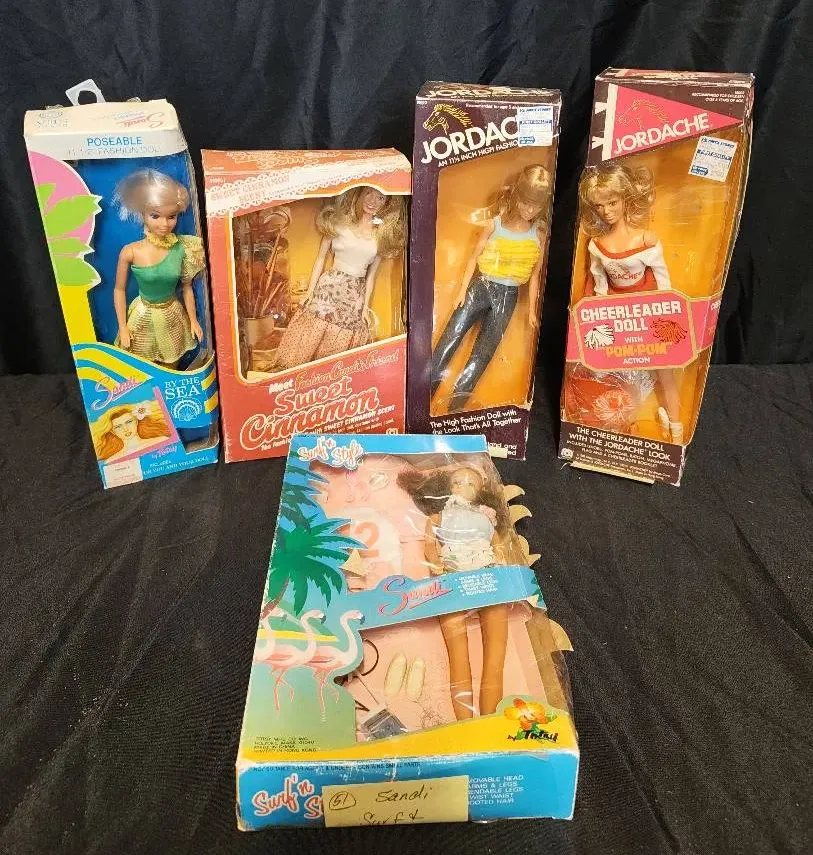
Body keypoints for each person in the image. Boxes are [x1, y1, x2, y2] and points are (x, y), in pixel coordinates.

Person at [568, 162, 684, 442]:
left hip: (648, 310)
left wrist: (665, 315)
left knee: (665, 371)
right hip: (616, 315)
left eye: (612, 203)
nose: (606, 211)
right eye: (599, 206)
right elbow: (599, 285)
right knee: (605, 369)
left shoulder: (645, 240)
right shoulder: (597, 245)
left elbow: (664, 282)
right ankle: (610, 424)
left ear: (625, 199)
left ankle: (677, 429)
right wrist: (596, 320)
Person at [430, 164, 550, 412]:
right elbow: (474, 257)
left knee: (483, 354)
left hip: (508, 295)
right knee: (450, 338)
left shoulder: (538, 234)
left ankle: (455, 408)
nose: (530, 210)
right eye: (526, 202)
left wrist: (532, 311)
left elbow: (536, 275)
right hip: (480, 288)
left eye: (536, 206)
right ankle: (424, 395)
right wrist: (462, 290)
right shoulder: (495, 224)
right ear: (517, 196)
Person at [397, 464, 510, 720]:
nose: (463, 487)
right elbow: (429, 545)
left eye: (471, 483)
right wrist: (437, 565)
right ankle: (465, 721)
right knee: (457, 654)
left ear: (481, 491)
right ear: (447, 488)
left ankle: (492, 718)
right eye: (457, 482)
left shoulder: (486, 517)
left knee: (495, 656)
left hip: (488, 576)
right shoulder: (438, 517)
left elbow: (498, 546)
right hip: (452, 577)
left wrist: (503, 568)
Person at [273, 187, 405, 370]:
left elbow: (371, 276)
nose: (372, 201)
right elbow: (321, 258)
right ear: (360, 193)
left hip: (354, 294)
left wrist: (365, 307)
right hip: (329, 288)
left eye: (381, 198)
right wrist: (310, 292)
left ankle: (328, 376)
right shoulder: (338, 224)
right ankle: (298, 375)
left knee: (341, 340)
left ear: (386, 204)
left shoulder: (380, 238)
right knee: (313, 331)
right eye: (369, 193)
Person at [113, 169, 205, 368]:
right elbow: (119, 290)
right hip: (142, 316)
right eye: (155, 216)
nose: (164, 224)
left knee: (172, 365)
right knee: (141, 366)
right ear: (143, 214)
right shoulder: (130, 252)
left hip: (172, 315)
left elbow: (187, 287)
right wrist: (122, 326)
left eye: (171, 216)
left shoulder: (183, 248)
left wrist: (193, 320)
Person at [94, 403, 170, 461]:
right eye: (118, 427)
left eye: (129, 422)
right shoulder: (112, 460)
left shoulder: (161, 441)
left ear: (136, 421)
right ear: (112, 432)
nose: (125, 429)